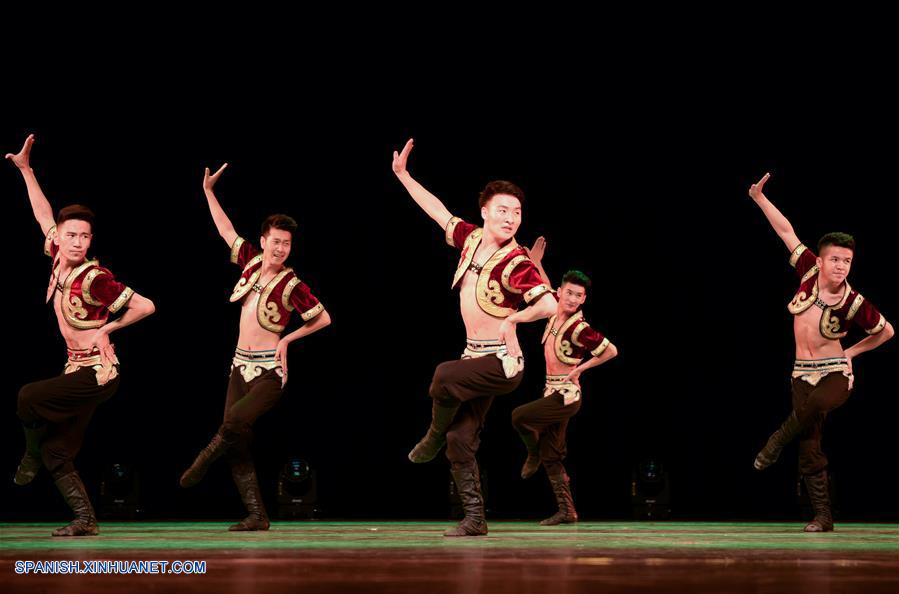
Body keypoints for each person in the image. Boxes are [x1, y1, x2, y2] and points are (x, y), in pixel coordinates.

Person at [392, 138, 556, 536]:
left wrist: (512, 322)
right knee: (460, 438)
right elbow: (436, 210)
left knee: (443, 377)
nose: (511, 218)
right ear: (484, 211)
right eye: (502, 210)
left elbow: (549, 305)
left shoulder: (517, 261)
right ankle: (475, 519)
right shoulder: (470, 239)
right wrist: (403, 175)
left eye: (516, 212)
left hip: (504, 362)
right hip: (475, 358)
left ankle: (430, 437)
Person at [8, 134, 156, 536]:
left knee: (27, 396)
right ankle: (84, 520)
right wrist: (26, 170)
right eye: (70, 234)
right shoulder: (58, 253)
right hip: (76, 369)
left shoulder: (95, 278)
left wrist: (108, 328)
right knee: (61, 452)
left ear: (91, 240)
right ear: (61, 235)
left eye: (84, 236)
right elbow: (42, 214)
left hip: (99, 374)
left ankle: (30, 453)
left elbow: (145, 306)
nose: (76, 241)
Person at [179, 163, 331, 531]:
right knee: (239, 442)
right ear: (263, 240)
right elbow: (225, 230)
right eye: (275, 241)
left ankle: (201, 462)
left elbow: (323, 317)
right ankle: (257, 516)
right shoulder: (251, 261)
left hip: (268, 373)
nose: (280, 248)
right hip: (238, 366)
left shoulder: (291, 284)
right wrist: (209, 192)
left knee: (231, 423)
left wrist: (288, 341)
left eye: (287, 243)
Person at [749, 172, 894, 532]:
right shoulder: (809, 271)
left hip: (834, 373)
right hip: (801, 371)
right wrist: (759, 199)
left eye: (847, 261)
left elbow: (886, 331)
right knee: (810, 446)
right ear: (823, 260)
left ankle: (775, 441)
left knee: (810, 409)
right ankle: (823, 516)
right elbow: (786, 232)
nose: (841, 266)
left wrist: (852, 354)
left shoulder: (854, 301)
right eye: (835, 259)